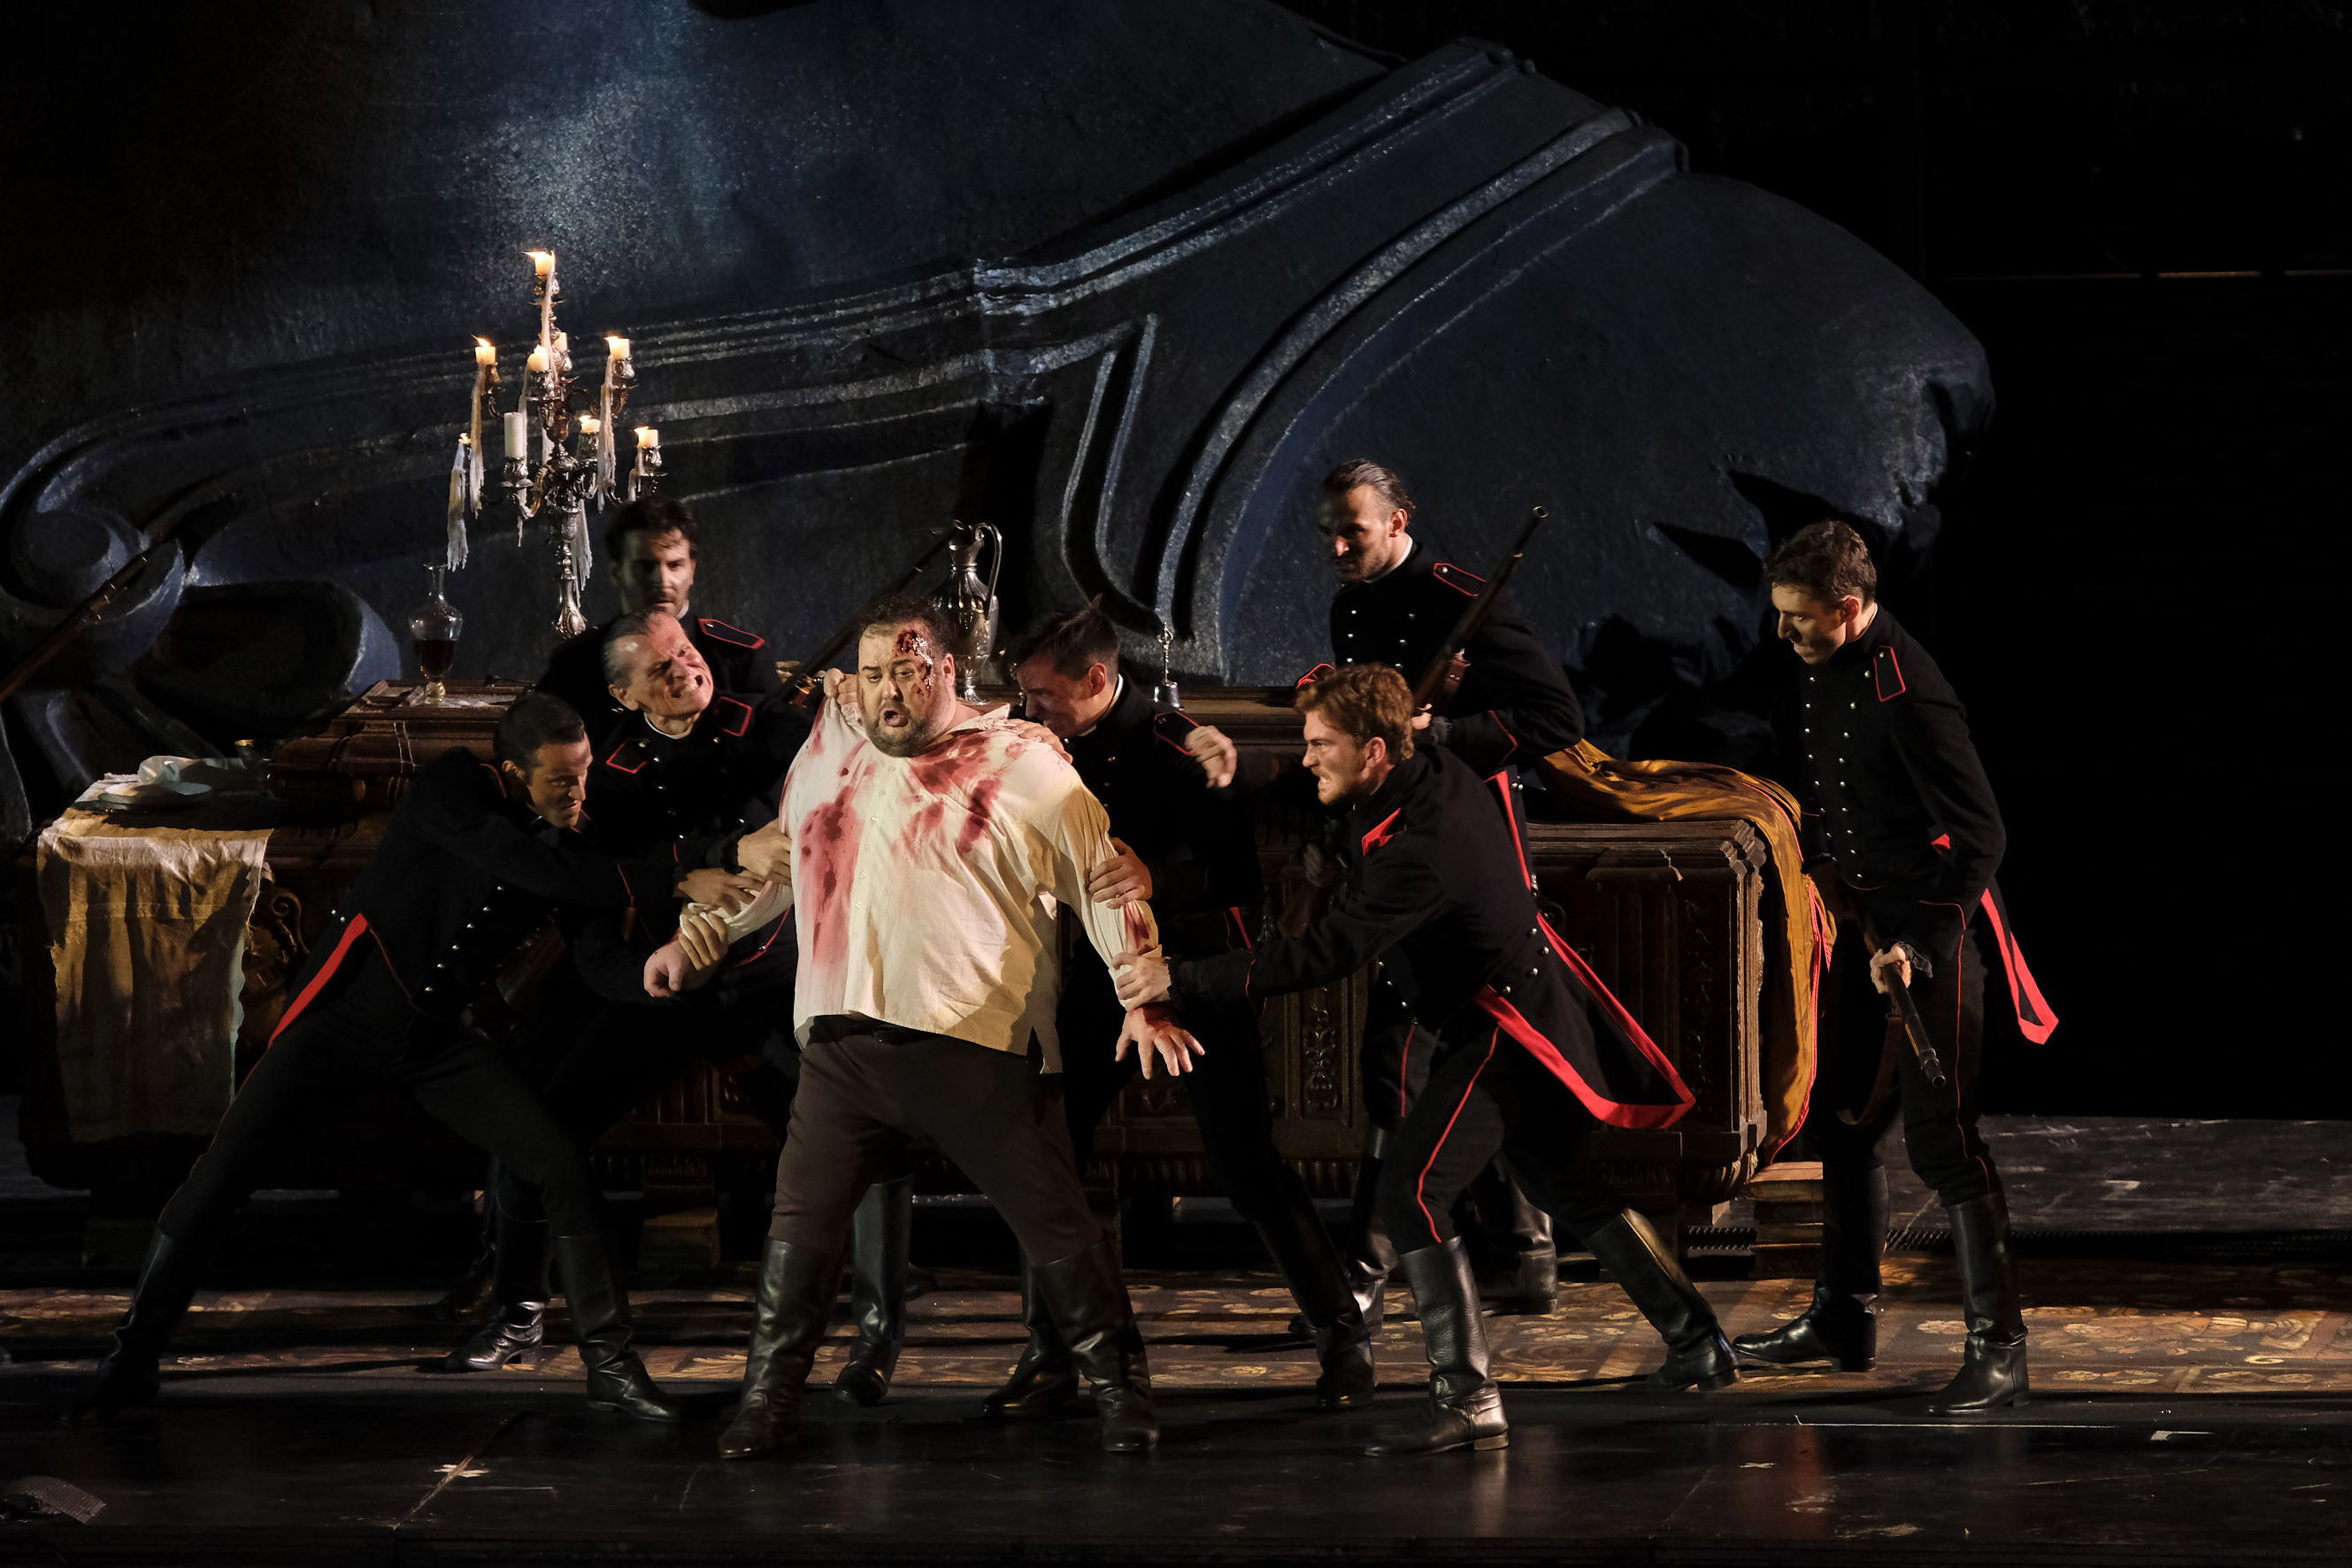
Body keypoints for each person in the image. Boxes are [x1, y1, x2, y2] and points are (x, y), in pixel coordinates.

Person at [64, 694, 735, 1426]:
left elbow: (599, 953)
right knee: (220, 1179)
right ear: (514, 772)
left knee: (560, 1163)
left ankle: (611, 1369)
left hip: (434, 1041)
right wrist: (675, 874)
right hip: (340, 1023)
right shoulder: (454, 786)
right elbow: (526, 866)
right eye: (561, 780)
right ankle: (130, 1360)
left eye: (583, 775)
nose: (579, 793)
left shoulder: (572, 841)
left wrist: (650, 973)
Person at [650, 593, 1202, 1458]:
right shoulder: (832, 745)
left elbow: (1102, 876)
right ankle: (767, 1400)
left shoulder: (1021, 761)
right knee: (799, 1227)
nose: (885, 692)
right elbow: (783, 861)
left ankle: (1120, 1392)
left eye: (904, 672)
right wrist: (699, 937)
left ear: (946, 670)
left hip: (975, 1044)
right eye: (871, 674)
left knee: (1055, 1222)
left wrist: (1144, 993)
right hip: (844, 1045)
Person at [1139, 665, 1733, 1457]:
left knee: (1411, 1193)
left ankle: (1468, 1397)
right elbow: (1313, 791)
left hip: (1506, 1027)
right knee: (1563, 1184)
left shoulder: (1424, 848)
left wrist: (1181, 979)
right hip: (1497, 1014)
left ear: (1375, 750)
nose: (1308, 758)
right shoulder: (1427, 772)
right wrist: (1241, 768)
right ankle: (1698, 1343)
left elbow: (1329, 951)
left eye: (1321, 745)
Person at [1186, 458, 1588, 1319]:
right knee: (1416, 1059)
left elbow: (1556, 719)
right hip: (1393, 846)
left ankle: (1407, 1262)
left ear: (1399, 521)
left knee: (1442, 1053)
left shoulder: (1462, 599)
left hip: (1463, 847)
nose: (1336, 547)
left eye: (1353, 531)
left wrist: (1441, 731)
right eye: (1327, 532)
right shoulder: (1352, 607)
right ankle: (1494, 1252)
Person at [980, 603, 1373, 1418]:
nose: (1031, 708)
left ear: (1096, 678)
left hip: (1194, 977)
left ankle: (1344, 1338)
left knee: (1245, 1166)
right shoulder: (1039, 744)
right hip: (1098, 976)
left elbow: (1239, 884)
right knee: (1044, 1156)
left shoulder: (1174, 746)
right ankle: (1052, 1352)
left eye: (1043, 693)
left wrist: (1157, 879)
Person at [1732, 520, 2054, 1414]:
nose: (1783, 632)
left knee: (1944, 1142)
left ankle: (2000, 1349)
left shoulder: (1909, 689)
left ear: (1847, 606)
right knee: (1841, 1124)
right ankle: (1843, 1317)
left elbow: (1982, 836)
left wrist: (1917, 944)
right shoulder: (1823, 663)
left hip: (1929, 936)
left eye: (1798, 617)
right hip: (1864, 923)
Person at [534, 496, 780, 731]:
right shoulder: (574, 665)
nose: (662, 581)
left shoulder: (741, 657)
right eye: (645, 566)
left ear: (692, 570)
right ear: (617, 573)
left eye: (675, 565)